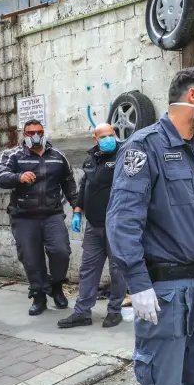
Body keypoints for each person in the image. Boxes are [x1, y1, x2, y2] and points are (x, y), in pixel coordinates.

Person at [106, 67, 194, 385]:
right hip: (165, 290)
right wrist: (137, 284)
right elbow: (122, 223)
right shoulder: (145, 148)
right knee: (163, 383)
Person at [0, 119, 78, 315]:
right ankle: (39, 295)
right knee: (31, 258)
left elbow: (69, 184)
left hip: (52, 215)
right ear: (24, 134)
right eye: (30, 133)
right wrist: (18, 177)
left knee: (61, 252)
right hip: (24, 216)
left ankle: (56, 286)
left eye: (39, 131)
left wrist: (77, 207)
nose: (35, 136)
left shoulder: (58, 156)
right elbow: (0, 177)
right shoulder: (12, 155)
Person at [58, 123, 126, 329]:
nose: (108, 139)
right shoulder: (90, 160)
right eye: (103, 136)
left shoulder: (124, 156)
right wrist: (78, 211)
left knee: (118, 270)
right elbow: (84, 187)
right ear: (95, 139)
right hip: (94, 226)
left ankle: (115, 310)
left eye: (111, 135)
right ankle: (82, 312)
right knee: (88, 269)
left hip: (117, 226)